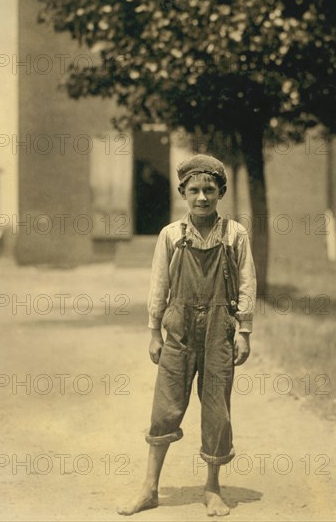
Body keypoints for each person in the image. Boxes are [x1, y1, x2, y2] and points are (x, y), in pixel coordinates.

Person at [118, 154, 256, 517]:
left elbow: (246, 284)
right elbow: (158, 286)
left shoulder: (234, 234)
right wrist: (154, 332)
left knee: (217, 410)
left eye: (209, 190)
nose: (202, 198)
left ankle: (212, 488)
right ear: (182, 192)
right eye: (194, 190)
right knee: (165, 406)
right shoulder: (171, 236)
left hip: (219, 330)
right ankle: (149, 488)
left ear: (221, 192)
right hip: (178, 328)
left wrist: (243, 330)